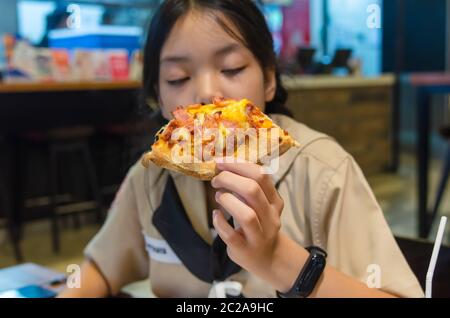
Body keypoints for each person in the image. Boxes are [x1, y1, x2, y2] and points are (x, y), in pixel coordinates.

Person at [58, 0, 424, 298]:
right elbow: (97, 269)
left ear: (268, 80)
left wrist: (279, 260)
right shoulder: (150, 176)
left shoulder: (322, 170)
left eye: (231, 68)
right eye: (178, 78)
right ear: (158, 96)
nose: (205, 93)